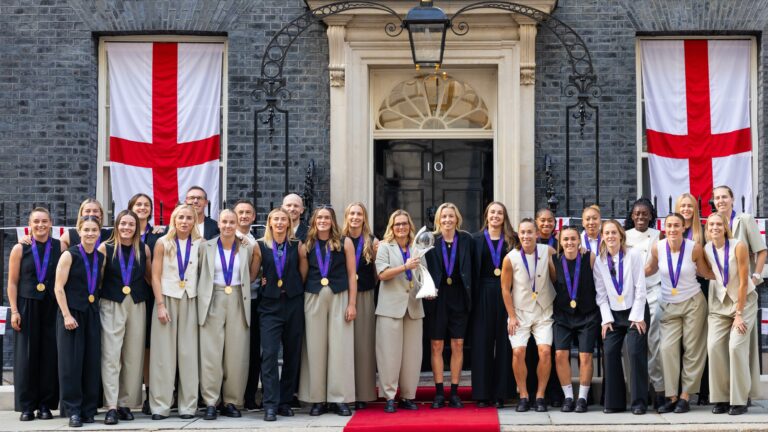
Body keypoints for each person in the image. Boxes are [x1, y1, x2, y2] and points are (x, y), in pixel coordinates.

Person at [645, 213, 714, 413]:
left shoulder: (694, 248)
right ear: (664, 228)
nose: (673, 229)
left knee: (693, 350)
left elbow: (703, 272)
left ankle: (685, 396)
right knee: (666, 349)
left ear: (684, 227)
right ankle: (671, 395)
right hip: (668, 304)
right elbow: (649, 268)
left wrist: (724, 276)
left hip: (693, 303)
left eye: (677, 225)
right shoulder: (658, 247)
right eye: (669, 226)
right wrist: (630, 275)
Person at [198, 210, 258, 420]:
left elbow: (256, 264)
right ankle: (211, 402)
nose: (228, 225)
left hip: (238, 299)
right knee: (211, 354)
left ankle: (232, 401)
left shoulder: (246, 247)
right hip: (213, 297)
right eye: (224, 221)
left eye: (232, 222)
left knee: (236, 354)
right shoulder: (206, 247)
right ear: (218, 224)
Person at [298, 206, 357, 416]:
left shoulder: (345, 242)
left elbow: (352, 275)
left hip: (339, 296)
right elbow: (303, 276)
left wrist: (352, 304)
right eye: (319, 217)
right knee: (314, 349)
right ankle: (318, 399)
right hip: (313, 297)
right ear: (314, 221)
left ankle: (338, 398)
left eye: (327, 218)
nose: (323, 220)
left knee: (339, 348)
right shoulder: (306, 245)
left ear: (333, 221)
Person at [713, 185, 766, 404]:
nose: (721, 201)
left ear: (732, 199)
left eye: (725, 196)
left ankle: (742, 396)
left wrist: (755, 277)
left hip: (745, 293)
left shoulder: (744, 220)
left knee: (740, 347)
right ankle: (725, 395)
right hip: (723, 297)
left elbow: (761, 250)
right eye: (717, 198)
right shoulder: (714, 223)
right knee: (718, 347)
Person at [148, 205, 203, 420]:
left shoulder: (201, 244)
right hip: (167, 300)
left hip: (191, 299)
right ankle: (160, 405)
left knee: (189, 354)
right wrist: (160, 304)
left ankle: (188, 406)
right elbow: (155, 275)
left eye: (189, 217)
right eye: (181, 217)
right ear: (174, 219)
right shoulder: (163, 243)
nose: (185, 221)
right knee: (163, 355)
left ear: (195, 220)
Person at [98, 210, 152, 425]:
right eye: (123, 224)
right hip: (112, 303)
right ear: (116, 225)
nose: (127, 228)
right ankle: (111, 405)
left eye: (131, 224)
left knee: (133, 356)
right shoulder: (106, 248)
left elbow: (149, 276)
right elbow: (98, 278)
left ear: (136, 227)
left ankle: (125, 404)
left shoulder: (144, 249)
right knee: (111, 355)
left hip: (137, 304)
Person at [8, 208, 61, 421]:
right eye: (36, 221)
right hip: (27, 304)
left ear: (51, 223)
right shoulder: (20, 248)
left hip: (51, 305)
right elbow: (12, 282)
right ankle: (27, 406)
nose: (41, 225)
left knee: (50, 355)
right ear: (30, 224)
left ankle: (46, 405)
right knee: (27, 356)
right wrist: (14, 311)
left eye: (44, 221)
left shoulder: (60, 246)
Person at [53, 216, 106, 427]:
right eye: (86, 230)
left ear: (99, 231)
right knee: (71, 364)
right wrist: (66, 314)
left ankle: (88, 409)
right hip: (72, 314)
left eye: (94, 230)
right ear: (79, 231)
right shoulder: (69, 255)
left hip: (91, 312)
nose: (90, 233)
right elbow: (58, 287)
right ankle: (73, 410)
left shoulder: (100, 257)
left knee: (91, 362)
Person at [594, 220, 650, 414]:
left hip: (636, 310)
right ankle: (615, 403)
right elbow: (600, 295)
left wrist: (637, 316)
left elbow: (640, 288)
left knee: (635, 352)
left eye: (614, 233)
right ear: (603, 237)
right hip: (613, 314)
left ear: (621, 235)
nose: (610, 236)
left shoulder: (633, 255)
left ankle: (639, 402)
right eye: (606, 233)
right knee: (609, 352)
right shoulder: (600, 261)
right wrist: (606, 319)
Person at [501, 218, 556, 413]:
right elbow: (505, 289)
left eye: (530, 232)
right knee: (518, 352)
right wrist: (512, 316)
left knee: (545, 352)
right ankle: (523, 395)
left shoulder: (547, 251)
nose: (526, 236)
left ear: (537, 234)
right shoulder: (510, 258)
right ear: (518, 234)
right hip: (520, 313)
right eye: (522, 232)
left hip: (543, 311)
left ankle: (540, 396)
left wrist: (582, 250)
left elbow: (565, 265)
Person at [258, 208, 308, 421]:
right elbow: (253, 272)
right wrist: (262, 280)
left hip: (293, 302)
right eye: (275, 219)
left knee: (292, 353)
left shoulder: (297, 245)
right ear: (269, 222)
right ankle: (270, 403)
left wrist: (292, 285)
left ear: (289, 223)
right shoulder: (260, 246)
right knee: (269, 354)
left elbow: (303, 271)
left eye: (283, 220)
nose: (279, 222)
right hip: (269, 306)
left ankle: (285, 401)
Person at [704, 213, 756, 415]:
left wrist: (739, 313)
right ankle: (722, 398)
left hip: (744, 302)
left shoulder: (738, 246)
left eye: (719, 224)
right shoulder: (707, 248)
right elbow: (709, 271)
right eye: (711, 224)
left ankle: (740, 400)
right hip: (721, 303)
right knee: (714, 346)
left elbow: (744, 282)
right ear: (707, 228)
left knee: (735, 347)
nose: (715, 227)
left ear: (725, 226)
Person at [424, 203, 474, 409]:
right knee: (436, 345)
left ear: (457, 218)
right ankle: (438, 393)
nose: (447, 220)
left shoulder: (466, 240)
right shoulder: (429, 240)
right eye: (443, 217)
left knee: (458, 345)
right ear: (438, 219)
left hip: (459, 297)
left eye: (451, 216)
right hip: (436, 297)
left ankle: (454, 392)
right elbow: (420, 267)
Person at [375, 210, 423, 414]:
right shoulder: (385, 247)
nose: (401, 227)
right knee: (389, 355)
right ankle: (390, 397)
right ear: (392, 227)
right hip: (390, 308)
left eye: (404, 224)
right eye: (397, 225)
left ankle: (408, 396)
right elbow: (382, 274)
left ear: (410, 226)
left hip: (413, 307)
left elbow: (423, 274)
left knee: (412, 356)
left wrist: (427, 290)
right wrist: (405, 266)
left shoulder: (417, 247)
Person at [471, 202, 517, 408]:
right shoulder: (476, 239)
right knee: (482, 343)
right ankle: (482, 393)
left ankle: (502, 393)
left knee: (505, 343)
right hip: (483, 293)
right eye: (492, 212)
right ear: (486, 216)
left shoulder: (512, 240)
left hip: (507, 293)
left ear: (504, 216)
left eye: (500, 212)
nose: (496, 216)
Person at [552, 226, 598, 413]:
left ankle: (582, 398)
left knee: (585, 355)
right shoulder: (553, 261)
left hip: (587, 314)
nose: (569, 242)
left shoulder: (590, 258)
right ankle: (569, 396)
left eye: (573, 239)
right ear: (560, 243)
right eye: (566, 239)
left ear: (580, 241)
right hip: (563, 315)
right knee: (560, 354)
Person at [624, 198, 664, 408]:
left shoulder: (658, 236)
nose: (640, 217)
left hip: (653, 293)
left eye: (645, 213)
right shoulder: (625, 237)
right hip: (630, 296)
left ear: (651, 216)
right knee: (634, 346)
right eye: (637, 213)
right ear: (631, 216)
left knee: (654, 341)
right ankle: (637, 391)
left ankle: (657, 389)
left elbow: (653, 266)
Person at [127, 193, 163, 416]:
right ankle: (128, 395)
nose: (142, 208)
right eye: (138, 204)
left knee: (149, 346)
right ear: (130, 207)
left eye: (146, 205)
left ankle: (150, 393)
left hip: (149, 295)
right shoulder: (121, 231)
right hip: (125, 297)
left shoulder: (158, 235)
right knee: (129, 346)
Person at [341, 202, 379, 409]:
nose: (355, 217)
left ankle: (363, 393)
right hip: (342, 295)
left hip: (364, 295)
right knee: (344, 345)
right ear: (346, 216)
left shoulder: (372, 242)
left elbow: (376, 273)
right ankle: (345, 391)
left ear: (364, 218)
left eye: (359, 214)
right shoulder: (338, 239)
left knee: (364, 345)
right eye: (352, 213)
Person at [674, 193, 711, 404]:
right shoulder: (670, 231)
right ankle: (682, 390)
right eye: (683, 205)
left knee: (699, 341)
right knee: (681, 342)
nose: (686, 209)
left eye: (689, 206)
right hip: (677, 291)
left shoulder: (702, 233)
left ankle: (704, 391)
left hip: (700, 289)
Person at [233, 199, 263, 411]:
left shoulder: (257, 241)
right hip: (227, 300)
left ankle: (250, 395)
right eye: (240, 212)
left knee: (251, 350)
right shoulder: (223, 237)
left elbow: (258, 270)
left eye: (247, 213)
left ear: (253, 217)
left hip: (251, 301)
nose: (244, 216)